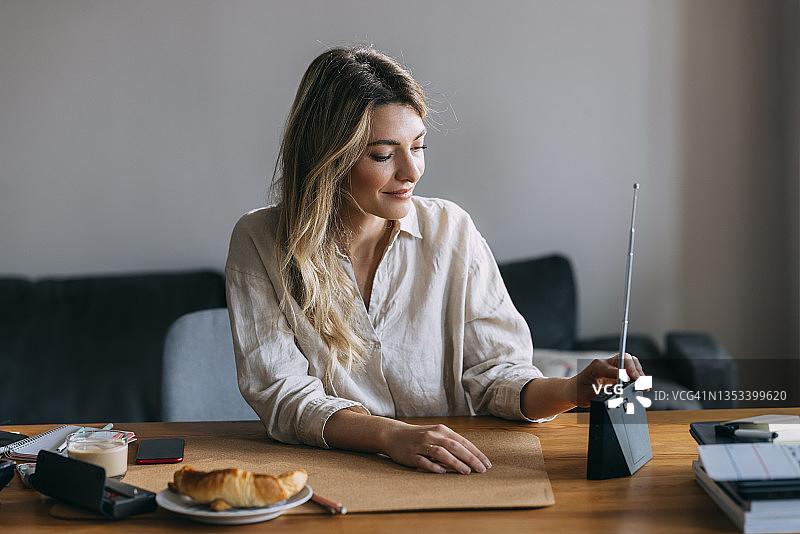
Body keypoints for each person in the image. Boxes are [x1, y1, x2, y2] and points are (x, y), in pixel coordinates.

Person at [225, 46, 644, 475]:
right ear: (327, 157)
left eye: (418, 146)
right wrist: (391, 436)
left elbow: (497, 374)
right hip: (333, 472)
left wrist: (571, 390)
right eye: (383, 155)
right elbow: (283, 396)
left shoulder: (451, 229)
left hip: (449, 468)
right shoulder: (259, 241)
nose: (412, 171)